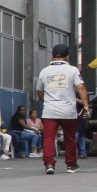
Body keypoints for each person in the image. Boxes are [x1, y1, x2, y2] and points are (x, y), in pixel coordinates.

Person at [35, 43, 90, 174]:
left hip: (49, 111)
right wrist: (86, 106)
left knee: (48, 138)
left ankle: (49, 164)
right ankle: (71, 165)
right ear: (67, 57)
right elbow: (81, 88)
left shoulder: (44, 71)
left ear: (52, 56)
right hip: (68, 111)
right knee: (69, 138)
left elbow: (38, 90)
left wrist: (46, 101)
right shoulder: (73, 70)